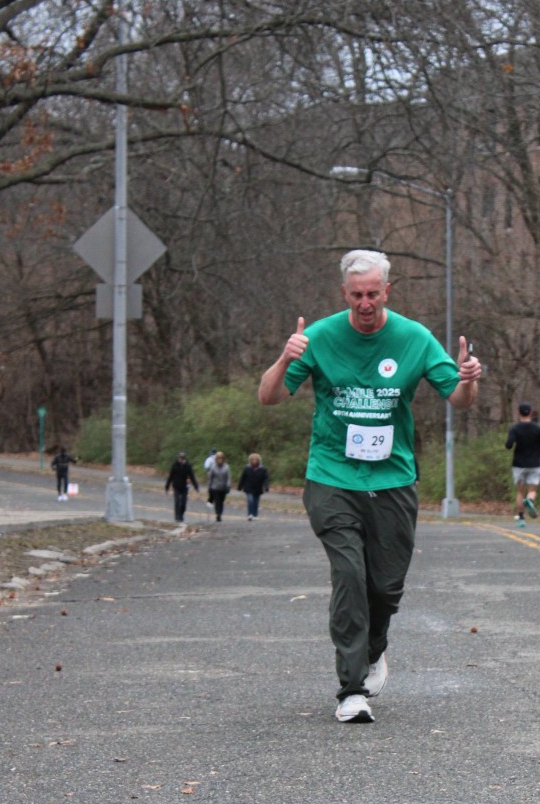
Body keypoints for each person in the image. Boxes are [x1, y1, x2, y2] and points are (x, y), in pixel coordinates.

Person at [258, 247, 482, 723]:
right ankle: (351, 689)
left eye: (373, 294)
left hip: (392, 478)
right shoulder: (319, 337)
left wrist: (468, 379)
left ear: (387, 291)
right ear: (345, 293)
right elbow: (269, 396)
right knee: (349, 576)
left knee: (385, 587)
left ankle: (375, 647)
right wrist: (284, 358)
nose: (365, 303)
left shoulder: (413, 337)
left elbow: (459, 400)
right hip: (332, 476)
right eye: (357, 294)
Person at [505, 403, 540, 526]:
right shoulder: (538, 429)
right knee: (532, 490)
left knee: (520, 492)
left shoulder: (515, 428)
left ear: (519, 413)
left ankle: (521, 519)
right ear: (531, 412)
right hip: (534, 464)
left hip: (518, 465)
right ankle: (529, 500)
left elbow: (508, 445)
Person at [165, 451, 199, 522]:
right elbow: (170, 477)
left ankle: (181, 515)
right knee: (177, 501)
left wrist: (196, 486)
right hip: (176, 486)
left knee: (183, 502)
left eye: (183, 458)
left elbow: (192, 476)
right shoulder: (174, 466)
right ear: (178, 458)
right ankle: (177, 516)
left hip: (184, 487)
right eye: (180, 458)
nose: (181, 460)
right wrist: (167, 486)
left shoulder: (187, 466)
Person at [237, 452, 270, 519]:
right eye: (252, 459)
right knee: (250, 500)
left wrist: (266, 486)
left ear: (258, 460)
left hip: (258, 488)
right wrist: (240, 486)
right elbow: (243, 478)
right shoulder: (247, 468)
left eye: (255, 459)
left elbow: (265, 479)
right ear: (250, 460)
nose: (254, 461)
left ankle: (255, 515)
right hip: (248, 487)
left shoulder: (263, 469)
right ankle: (250, 514)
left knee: (256, 502)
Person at [207, 451, 232, 521]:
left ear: (223, 459)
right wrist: (209, 486)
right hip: (215, 487)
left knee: (221, 501)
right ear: (216, 459)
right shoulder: (213, 467)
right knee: (217, 501)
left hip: (223, 487)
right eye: (218, 458)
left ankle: (220, 512)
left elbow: (228, 477)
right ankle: (218, 514)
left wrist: (228, 485)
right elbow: (210, 477)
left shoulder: (226, 467)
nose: (219, 460)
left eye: (221, 458)